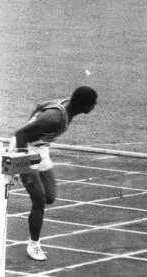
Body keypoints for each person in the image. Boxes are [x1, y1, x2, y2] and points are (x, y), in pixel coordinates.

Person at [8, 86, 98, 261]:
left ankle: (28, 179)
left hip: (41, 149)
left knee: (49, 196)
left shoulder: (67, 105)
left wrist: (33, 126)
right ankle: (33, 246)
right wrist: (22, 162)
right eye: (93, 103)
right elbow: (20, 134)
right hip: (23, 149)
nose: (95, 106)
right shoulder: (55, 118)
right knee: (39, 199)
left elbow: (40, 105)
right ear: (84, 104)